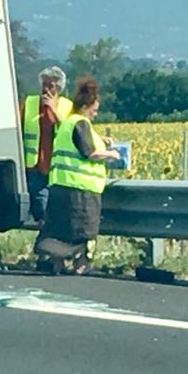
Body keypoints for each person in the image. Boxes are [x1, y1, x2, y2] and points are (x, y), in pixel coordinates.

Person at [36, 75, 122, 275]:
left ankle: (57, 263)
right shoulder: (81, 123)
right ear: (86, 107)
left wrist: (100, 139)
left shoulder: (67, 123)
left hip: (59, 186)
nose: (95, 114)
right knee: (85, 230)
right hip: (81, 190)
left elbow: (76, 144)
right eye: (94, 110)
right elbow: (89, 152)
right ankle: (81, 265)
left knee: (58, 228)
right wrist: (112, 154)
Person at [20, 66, 70, 225]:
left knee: (53, 207)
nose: (46, 89)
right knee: (40, 206)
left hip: (57, 165)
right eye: (44, 84)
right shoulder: (29, 103)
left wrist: (53, 110)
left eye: (51, 85)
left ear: (59, 88)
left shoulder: (67, 107)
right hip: (34, 165)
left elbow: (72, 130)